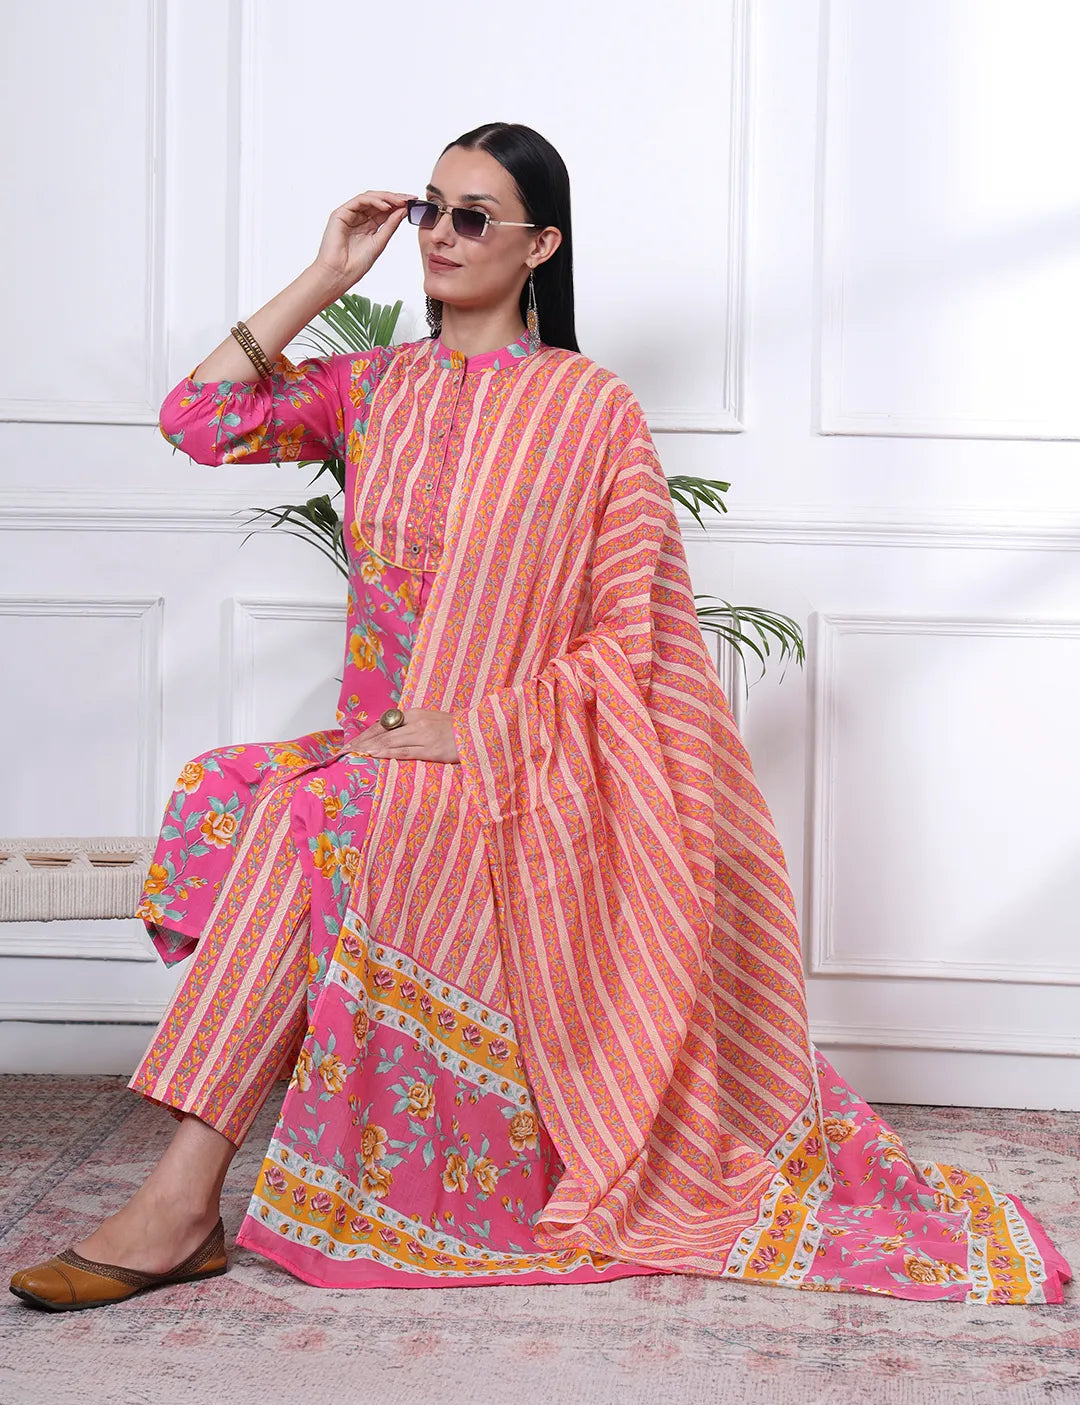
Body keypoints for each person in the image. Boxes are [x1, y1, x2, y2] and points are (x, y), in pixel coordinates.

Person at [10, 123, 1069, 1311]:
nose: (442, 236)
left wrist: (481, 732)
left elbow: (634, 642)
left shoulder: (590, 409)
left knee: (317, 821)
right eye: (430, 209)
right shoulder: (372, 390)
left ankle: (179, 1202)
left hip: (520, 767)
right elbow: (194, 418)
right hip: (380, 746)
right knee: (231, 791)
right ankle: (192, 1197)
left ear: (540, 247)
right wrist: (327, 273)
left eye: (474, 217)